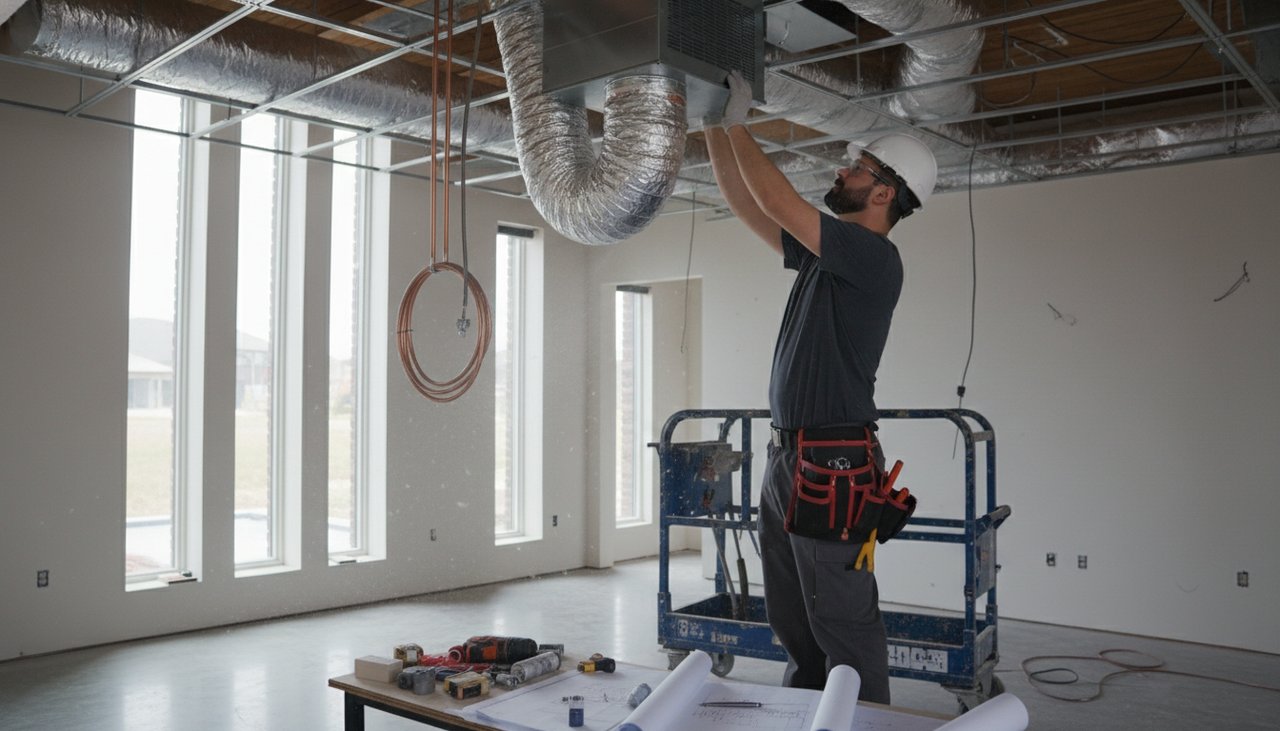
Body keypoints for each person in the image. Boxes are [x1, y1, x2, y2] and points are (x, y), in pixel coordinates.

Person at [704, 71, 937, 704]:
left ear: (883, 192)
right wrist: (712, 128)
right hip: (792, 457)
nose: (843, 173)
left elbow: (780, 203)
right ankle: (808, 715)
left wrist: (736, 124)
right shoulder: (824, 255)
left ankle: (865, 722)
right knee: (795, 619)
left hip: (832, 463)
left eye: (856, 169)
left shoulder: (871, 255)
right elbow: (752, 208)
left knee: (842, 619)